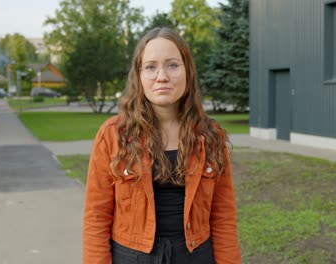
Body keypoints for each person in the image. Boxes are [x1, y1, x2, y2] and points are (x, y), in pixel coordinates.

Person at [83, 27, 241, 264]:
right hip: (131, 257)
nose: (162, 76)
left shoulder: (210, 136)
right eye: (151, 67)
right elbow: (96, 217)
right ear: (139, 75)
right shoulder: (113, 135)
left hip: (196, 256)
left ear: (187, 71)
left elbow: (223, 216)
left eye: (172, 65)